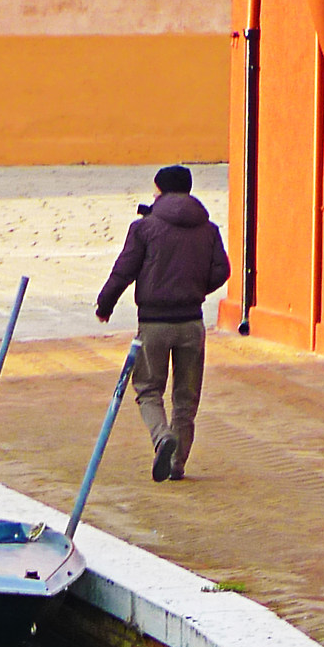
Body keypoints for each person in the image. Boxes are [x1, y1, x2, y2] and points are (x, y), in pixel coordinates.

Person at [95, 164, 230, 482]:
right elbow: (221, 271)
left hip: (154, 321)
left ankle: (161, 437)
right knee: (186, 398)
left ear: (161, 191)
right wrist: (196, 289)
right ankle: (177, 464)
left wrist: (105, 304)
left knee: (147, 388)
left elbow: (124, 270)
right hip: (191, 322)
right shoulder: (208, 228)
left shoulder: (144, 228)